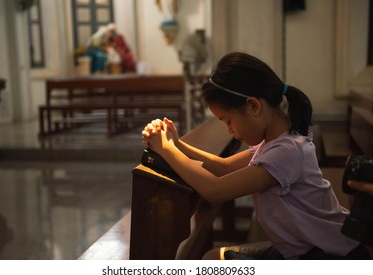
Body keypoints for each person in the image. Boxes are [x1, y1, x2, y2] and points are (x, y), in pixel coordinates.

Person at [142, 52, 370, 260]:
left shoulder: (287, 151)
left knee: (212, 262)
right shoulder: (276, 141)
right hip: (302, 249)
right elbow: (222, 167)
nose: (230, 130)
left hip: (327, 257)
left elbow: (215, 190)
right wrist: (177, 144)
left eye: (228, 121)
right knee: (212, 258)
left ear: (253, 106)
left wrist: (165, 150)